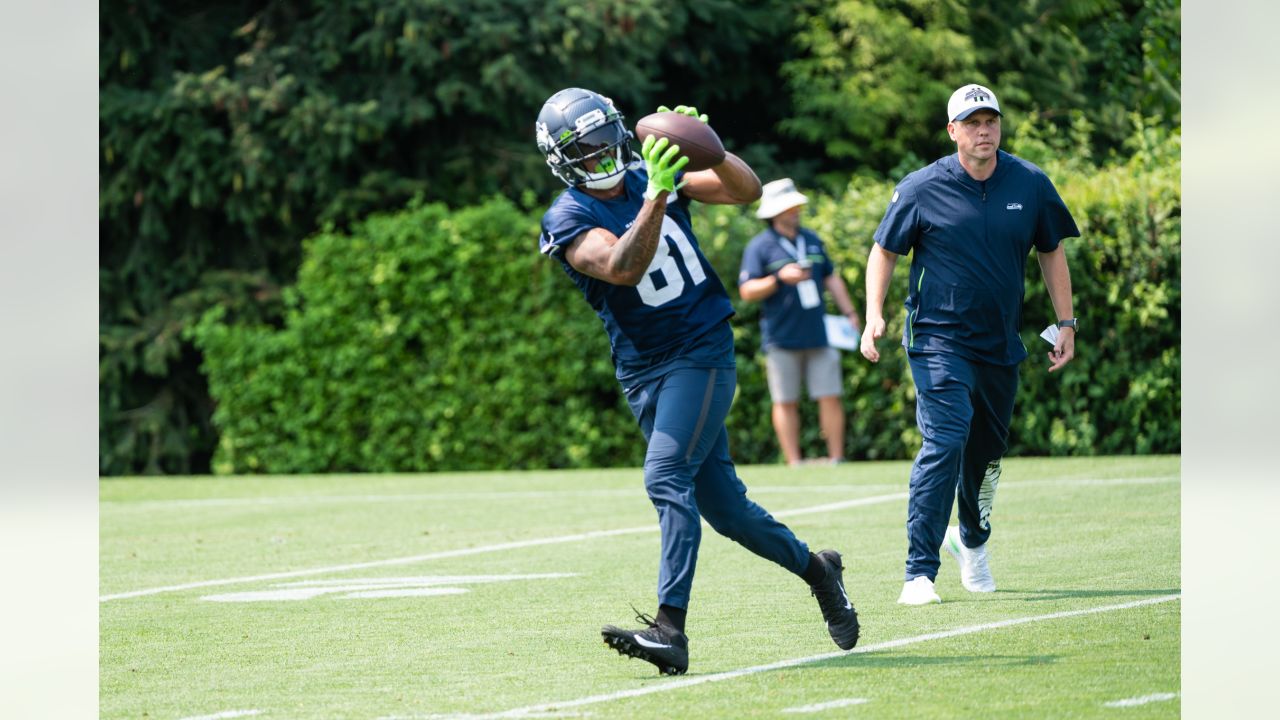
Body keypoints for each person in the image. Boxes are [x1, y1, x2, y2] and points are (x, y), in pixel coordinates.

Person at [535, 88, 860, 674]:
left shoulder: (648, 171)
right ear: (562, 158)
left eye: (606, 136)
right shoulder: (568, 216)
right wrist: (657, 191)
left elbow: (746, 191)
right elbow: (621, 267)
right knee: (727, 511)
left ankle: (670, 630)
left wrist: (711, 150)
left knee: (665, 475)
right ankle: (819, 569)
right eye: (585, 147)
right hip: (643, 368)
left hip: (701, 349)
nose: (604, 152)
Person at [859, 83, 1080, 606]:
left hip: (1000, 344)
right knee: (946, 439)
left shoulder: (1030, 182)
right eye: (973, 122)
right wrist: (873, 315)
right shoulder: (919, 188)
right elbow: (883, 251)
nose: (984, 131)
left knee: (986, 454)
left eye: (992, 121)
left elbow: (1051, 251)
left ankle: (972, 541)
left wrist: (1066, 321)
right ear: (952, 131)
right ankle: (919, 571)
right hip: (937, 338)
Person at [738, 179, 861, 466]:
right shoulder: (759, 247)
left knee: (830, 394)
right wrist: (780, 278)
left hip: (820, 334)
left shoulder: (812, 239)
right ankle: (794, 462)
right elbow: (747, 291)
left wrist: (851, 313)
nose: (796, 210)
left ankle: (836, 458)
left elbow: (831, 277)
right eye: (789, 206)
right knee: (785, 400)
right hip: (780, 337)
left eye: (796, 205)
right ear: (774, 212)